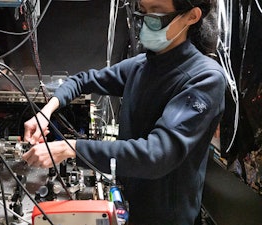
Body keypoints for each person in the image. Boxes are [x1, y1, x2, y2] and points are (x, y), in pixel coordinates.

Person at [22, 0, 226, 224]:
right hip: (131, 207)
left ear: (192, 16)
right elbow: (82, 81)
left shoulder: (204, 78)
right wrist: (46, 112)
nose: (146, 22)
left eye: (156, 14)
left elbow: (156, 155)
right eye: (143, 11)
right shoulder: (141, 66)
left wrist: (70, 148)